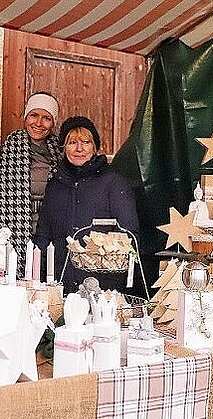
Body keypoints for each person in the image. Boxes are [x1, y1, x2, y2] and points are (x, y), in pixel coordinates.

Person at [33, 116, 138, 294]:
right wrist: (38, 276)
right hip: (61, 281)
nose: (79, 148)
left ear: (95, 147)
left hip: (102, 285)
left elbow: (128, 235)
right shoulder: (55, 185)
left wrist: (114, 280)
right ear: (64, 147)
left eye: (86, 142)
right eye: (72, 142)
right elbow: (44, 234)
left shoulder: (113, 183)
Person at [0, 92, 62, 267]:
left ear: (53, 122)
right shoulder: (4, 152)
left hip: (49, 234)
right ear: (26, 117)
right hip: (9, 234)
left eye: (46, 118)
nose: (39, 123)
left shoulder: (61, 155)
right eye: (33, 115)